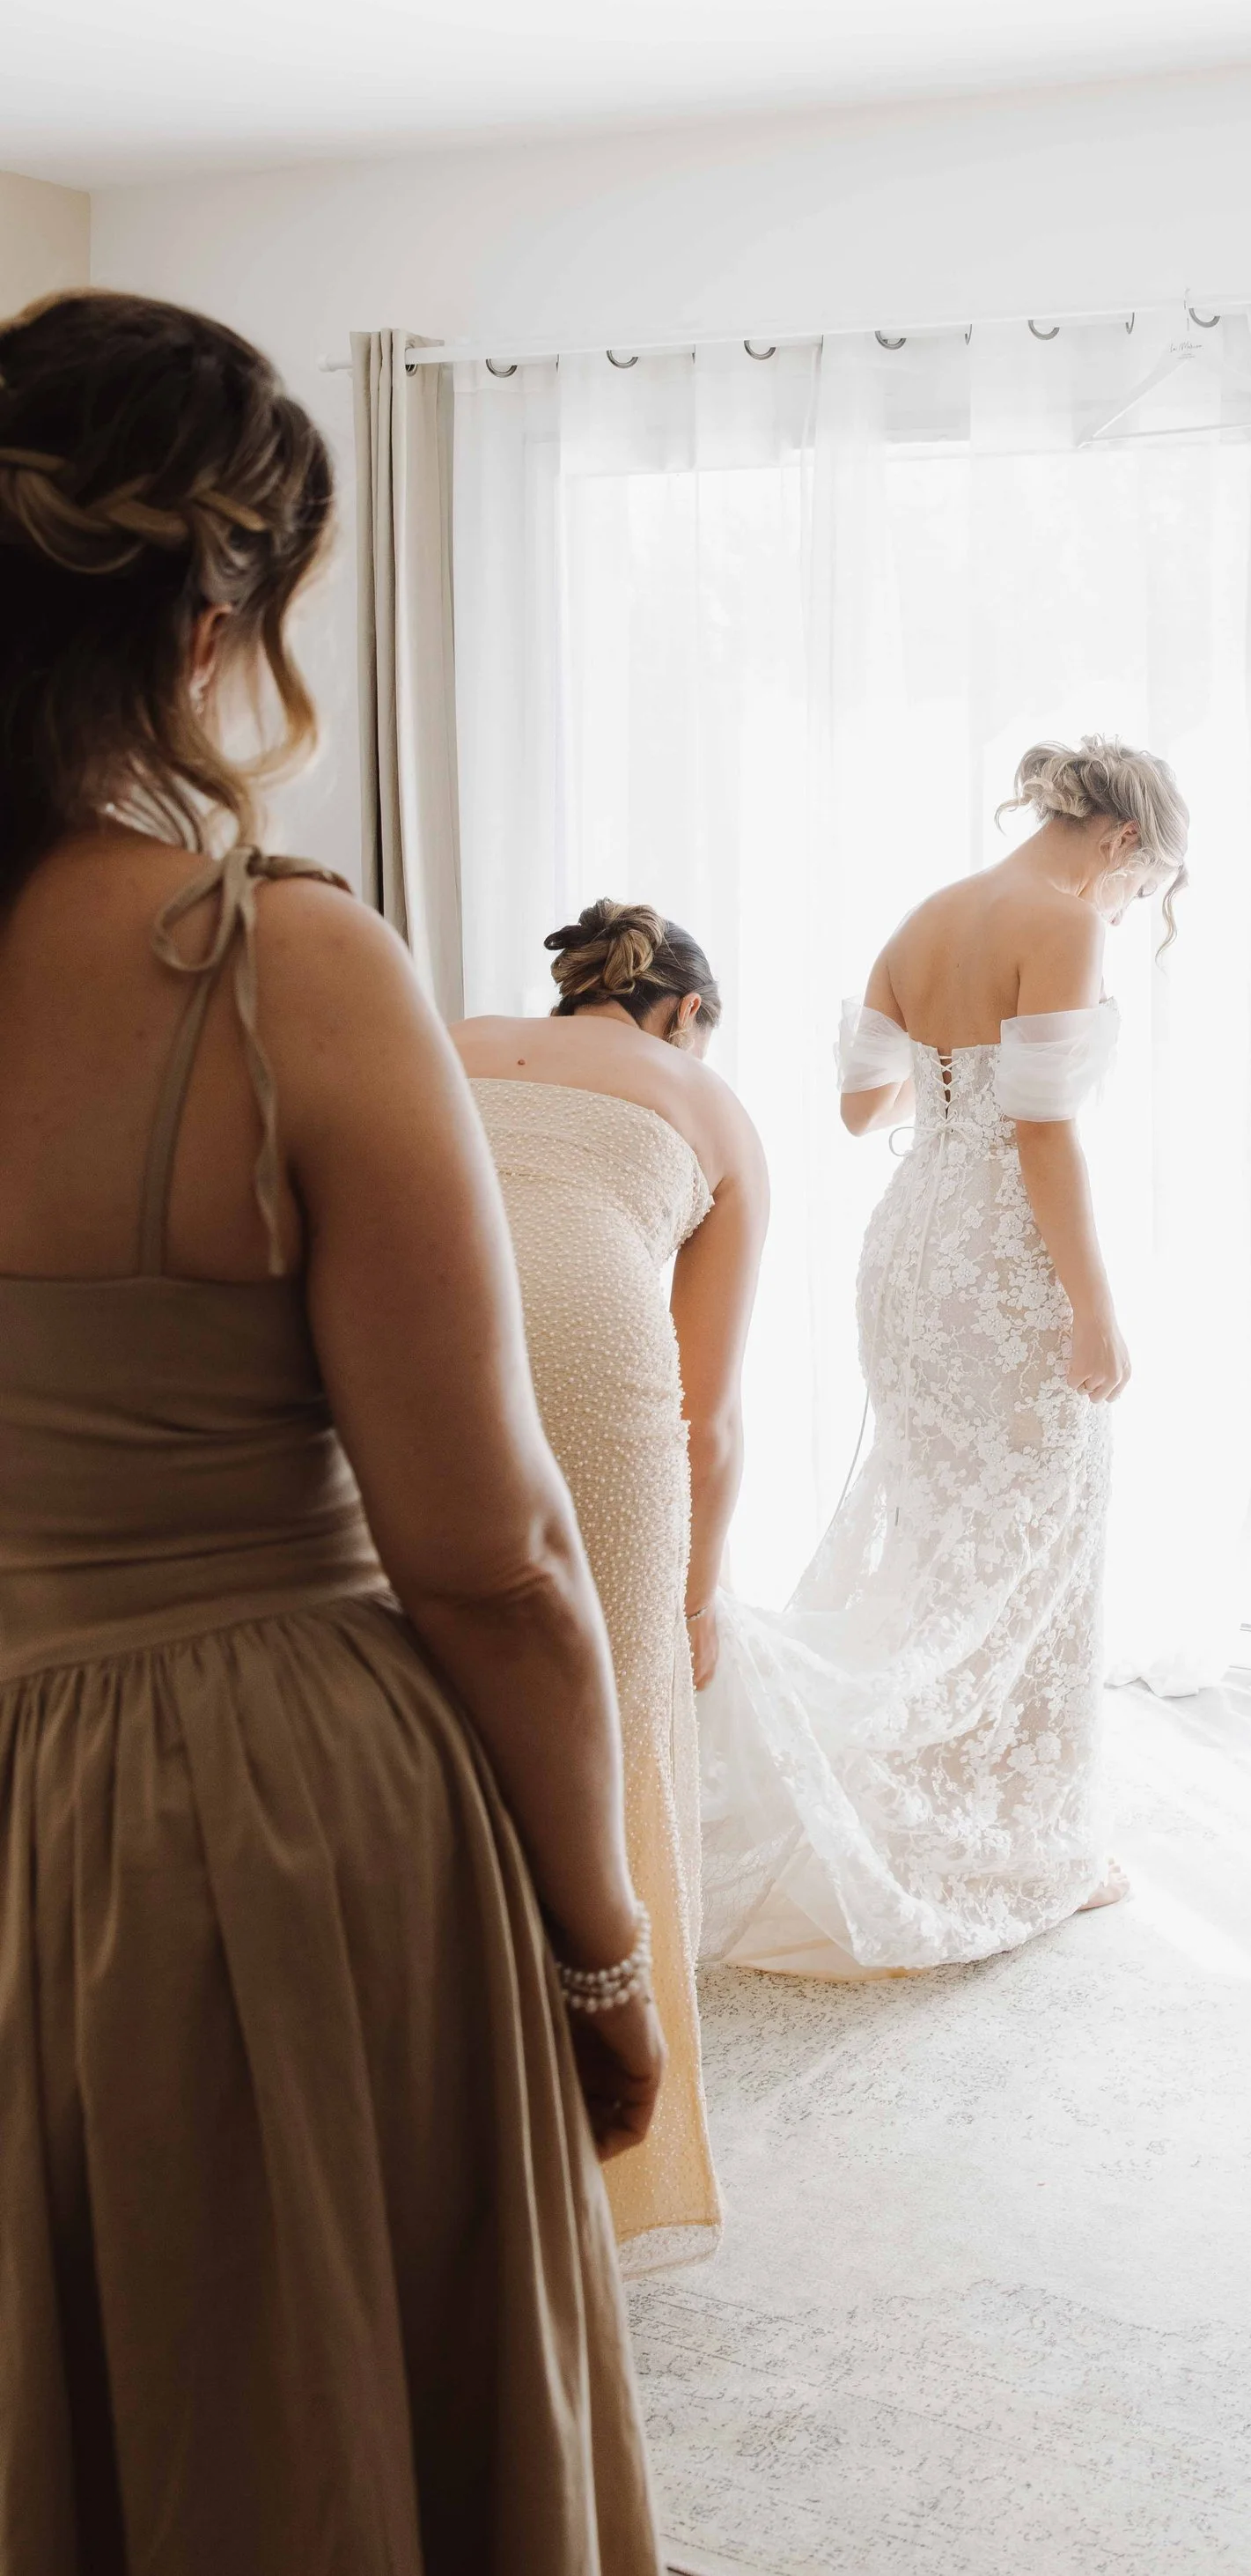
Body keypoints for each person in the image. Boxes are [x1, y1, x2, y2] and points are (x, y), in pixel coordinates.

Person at [0, 290, 660, 2568]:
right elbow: (497, 1560)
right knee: (295, 2410)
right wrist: (601, 1944)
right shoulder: (275, 965)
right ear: (214, 617)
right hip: (248, 1825)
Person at [695, 735, 1188, 1977]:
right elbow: (1044, 1139)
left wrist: (946, 1070)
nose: (1129, 907)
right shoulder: (1064, 924)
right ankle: (1021, 1838)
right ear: (1122, 841)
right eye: (1144, 883)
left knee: (939, 1523)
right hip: (1005, 1264)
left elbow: (865, 1108)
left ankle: (930, 1791)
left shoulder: (926, 917)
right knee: (1035, 1530)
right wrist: (1095, 1304)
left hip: (908, 1248)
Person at [454, 904, 767, 2274]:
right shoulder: (708, 1102)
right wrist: (695, 1597)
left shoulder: (450, 1038)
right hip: (592, 1339)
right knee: (621, 1717)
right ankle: (612, 2154)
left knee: (430, 1706)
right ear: (686, 1015)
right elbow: (708, 1420)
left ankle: (425, 2098)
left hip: (419, 1323)